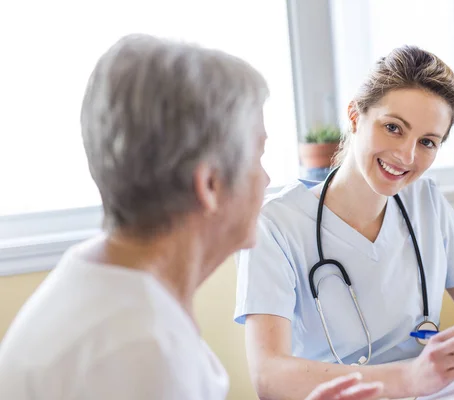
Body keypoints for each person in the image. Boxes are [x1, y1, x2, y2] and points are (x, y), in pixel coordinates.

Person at [0, 34, 385, 400]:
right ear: (210, 184)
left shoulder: (99, 280)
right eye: (258, 156)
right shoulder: (140, 347)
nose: (266, 178)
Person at [234, 46, 454, 399]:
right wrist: (412, 378)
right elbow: (269, 376)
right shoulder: (275, 225)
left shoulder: (426, 200)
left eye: (428, 141)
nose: (407, 156)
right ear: (355, 116)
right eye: (393, 128)